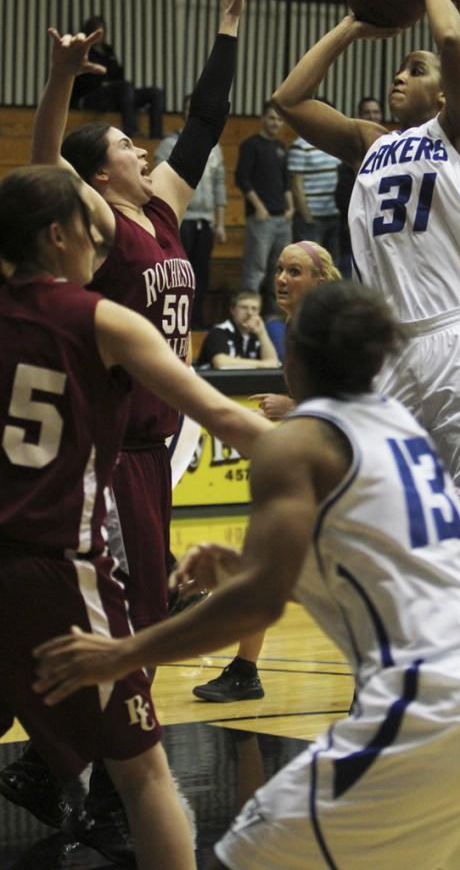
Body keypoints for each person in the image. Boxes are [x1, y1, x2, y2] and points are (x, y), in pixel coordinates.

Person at [34, 281, 460, 870]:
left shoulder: (296, 446)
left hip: (435, 706)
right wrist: (246, 565)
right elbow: (386, 560)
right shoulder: (401, 428)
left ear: (293, 353)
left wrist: (123, 653)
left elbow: (256, 608)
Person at [2, 0, 243, 845]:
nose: (145, 149)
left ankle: (47, 764)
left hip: (157, 446)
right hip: (112, 446)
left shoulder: (165, 210)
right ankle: (100, 783)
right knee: (126, 619)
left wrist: (225, 21)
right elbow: (37, 173)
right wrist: (60, 79)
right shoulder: (97, 232)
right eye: (127, 147)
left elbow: (211, 116)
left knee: (135, 614)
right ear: (97, 180)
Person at [0, 165, 271, 870]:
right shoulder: (101, 319)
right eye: (89, 232)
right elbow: (217, 414)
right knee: (142, 772)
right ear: (56, 237)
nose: (98, 243)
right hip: (59, 570)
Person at [271, 0, 460, 649]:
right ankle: (416, 639)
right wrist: (357, 23)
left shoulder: (459, 132)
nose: (400, 74)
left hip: (457, 339)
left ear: (445, 93)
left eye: (412, 69)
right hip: (389, 351)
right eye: (397, 66)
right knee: (395, 510)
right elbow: (287, 100)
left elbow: (450, 37)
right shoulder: (368, 142)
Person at [192, 239, 341, 704]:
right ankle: (245, 669)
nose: (281, 278)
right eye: (278, 268)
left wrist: (292, 406)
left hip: (340, 469)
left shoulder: (331, 329)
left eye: (294, 271)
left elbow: (356, 401)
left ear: (318, 280)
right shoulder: (293, 326)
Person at [155, 94, 227, 328]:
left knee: (201, 276)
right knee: (179, 272)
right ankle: (176, 321)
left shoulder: (214, 147)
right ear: (184, 113)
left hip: (205, 220)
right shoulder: (168, 144)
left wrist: (221, 222)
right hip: (181, 219)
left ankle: (196, 323)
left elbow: (219, 185)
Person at [236, 101, 294, 313]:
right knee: (256, 270)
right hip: (262, 219)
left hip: (282, 219)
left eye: (279, 119)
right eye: (271, 118)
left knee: (279, 272)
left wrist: (291, 208)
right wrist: (259, 207)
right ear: (262, 118)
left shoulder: (281, 147)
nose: (275, 122)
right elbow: (242, 179)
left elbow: (286, 182)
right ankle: (247, 315)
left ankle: (274, 318)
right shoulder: (250, 145)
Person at [70, 15, 165, 139]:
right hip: (91, 96)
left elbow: (118, 73)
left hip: (115, 94)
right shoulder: (83, 51)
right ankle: (131, 131)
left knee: (155, 93)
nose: (99, 35)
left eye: (101, 32)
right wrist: (105, 82)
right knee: (124, 87)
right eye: (95, 31)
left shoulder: (108, 51)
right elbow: (82, 79)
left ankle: (156, 136)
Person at [335, 95, 384, 276]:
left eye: (376, 112)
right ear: (359, 115)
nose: (372, 116)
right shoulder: (348, 162)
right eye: (367, 113)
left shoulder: (393, 148)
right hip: (354, 240)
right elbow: (343, 200)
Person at [287, 118, 341, 263]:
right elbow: (296, 185)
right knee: (310, 264)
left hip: (334, 214)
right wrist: (307, 216)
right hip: (312, 217)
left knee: (333, 265)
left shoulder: (336, 145)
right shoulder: (300, 145)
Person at [197, 290, 279, 369]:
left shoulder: (257, 334)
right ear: (233, 310)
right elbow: (220, 363)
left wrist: (262, 333)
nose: (249, 313)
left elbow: (273, 363)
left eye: (254, 309)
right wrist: (263, 364)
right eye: (244, 307)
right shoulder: (219, 332)